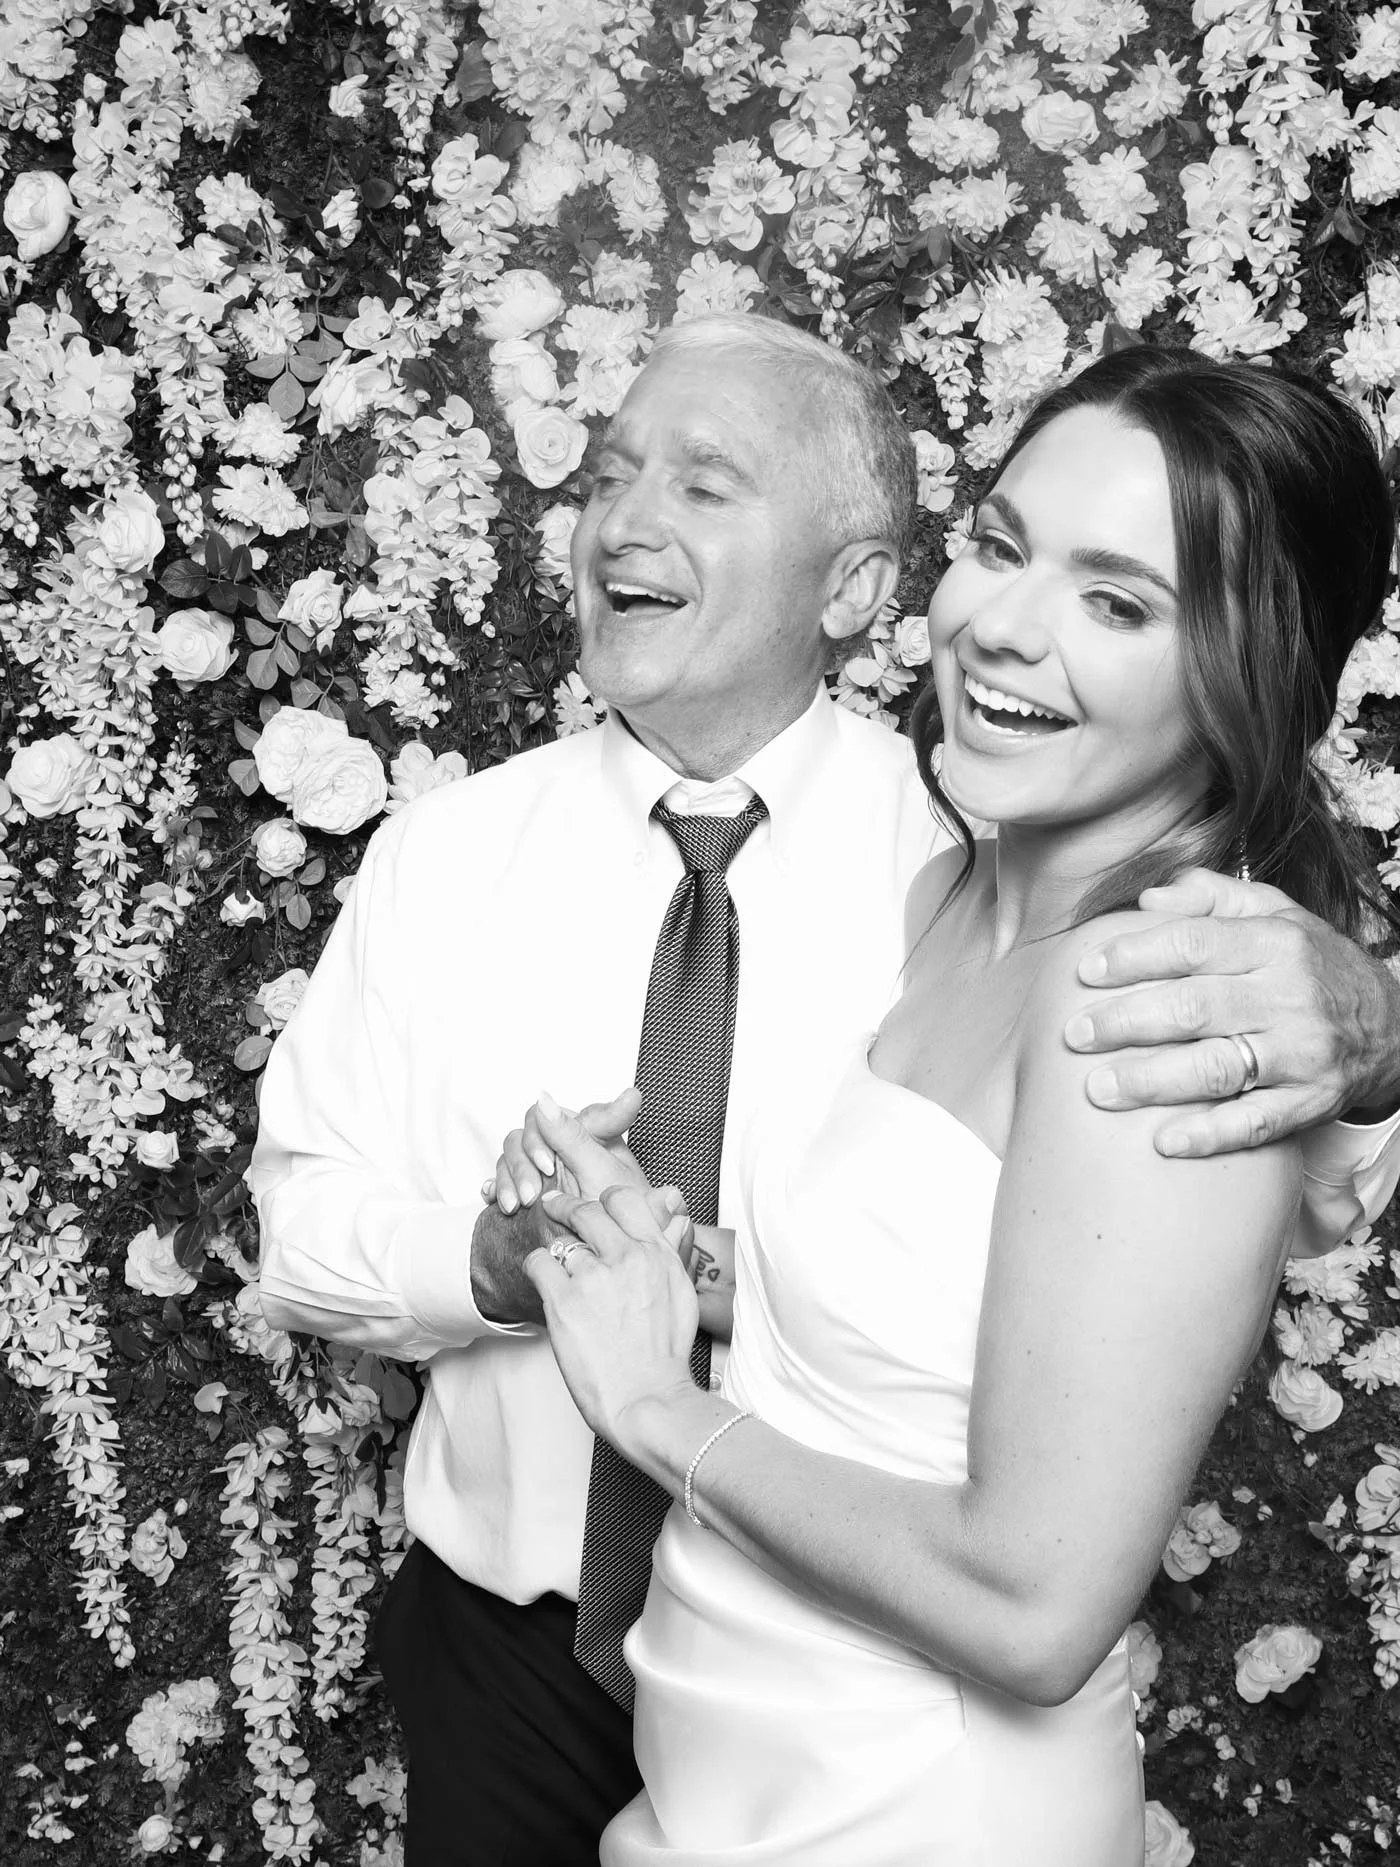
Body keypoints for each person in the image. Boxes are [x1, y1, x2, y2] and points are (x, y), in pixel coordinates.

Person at [250, 317, 1400, 1867]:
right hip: (588, 1693)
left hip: (894, 1785)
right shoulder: (958, 898)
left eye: (1120, 598)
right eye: (1002, 547)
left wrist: (1374, 1038)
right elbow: (914, 1276)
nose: (1005, 627)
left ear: (854, 584)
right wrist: (558, 1266)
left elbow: (1254, 1193)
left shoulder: (1118, 957)